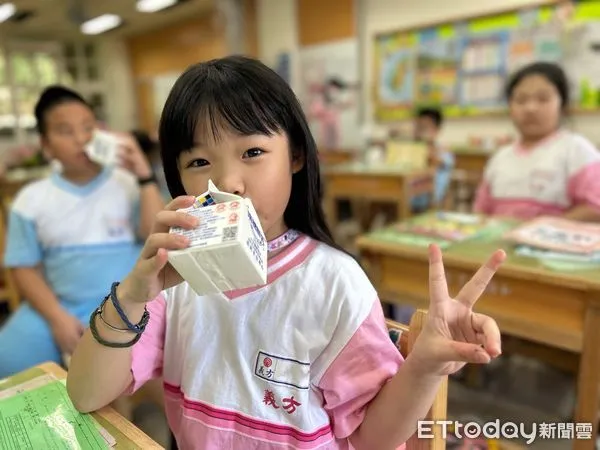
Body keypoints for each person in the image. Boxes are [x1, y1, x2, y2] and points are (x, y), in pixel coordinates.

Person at [67, 56, 505, 450]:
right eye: (199, 163)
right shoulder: (177, 281)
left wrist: (425, 365)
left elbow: (374, 440)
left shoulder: (335, 281)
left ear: (295, 155)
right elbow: (86, 394)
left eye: (253, 152)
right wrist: (132, 295)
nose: (228, 184)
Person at [0, 86, 165, 377]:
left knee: (153, 356)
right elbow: (23, 268)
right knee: (8, 357)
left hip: (127, 300)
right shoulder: (31, 199)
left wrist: (143, 174)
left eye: (88, 128)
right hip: (62, 304)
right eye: (65, 131)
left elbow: (155, 234)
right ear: (46, 145)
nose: (80, 139)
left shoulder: (127, 183)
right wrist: (57, 319)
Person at [473, 62, 600, 221]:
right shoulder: (501, 156)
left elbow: (595, 208)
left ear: (562, 104)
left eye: (543, 99)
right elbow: (481, 211)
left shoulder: (577, 149)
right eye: (521, 100)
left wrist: (540, 227)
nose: (530, 108)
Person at [411, 107, 454, 212]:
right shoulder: (413, 149)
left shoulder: (443, 152)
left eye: (425, 128)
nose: (419, 132)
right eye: (417, 127)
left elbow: (440, 162)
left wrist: (428, 153)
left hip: (429, 201)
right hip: (408, 197)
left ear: (437, 131)